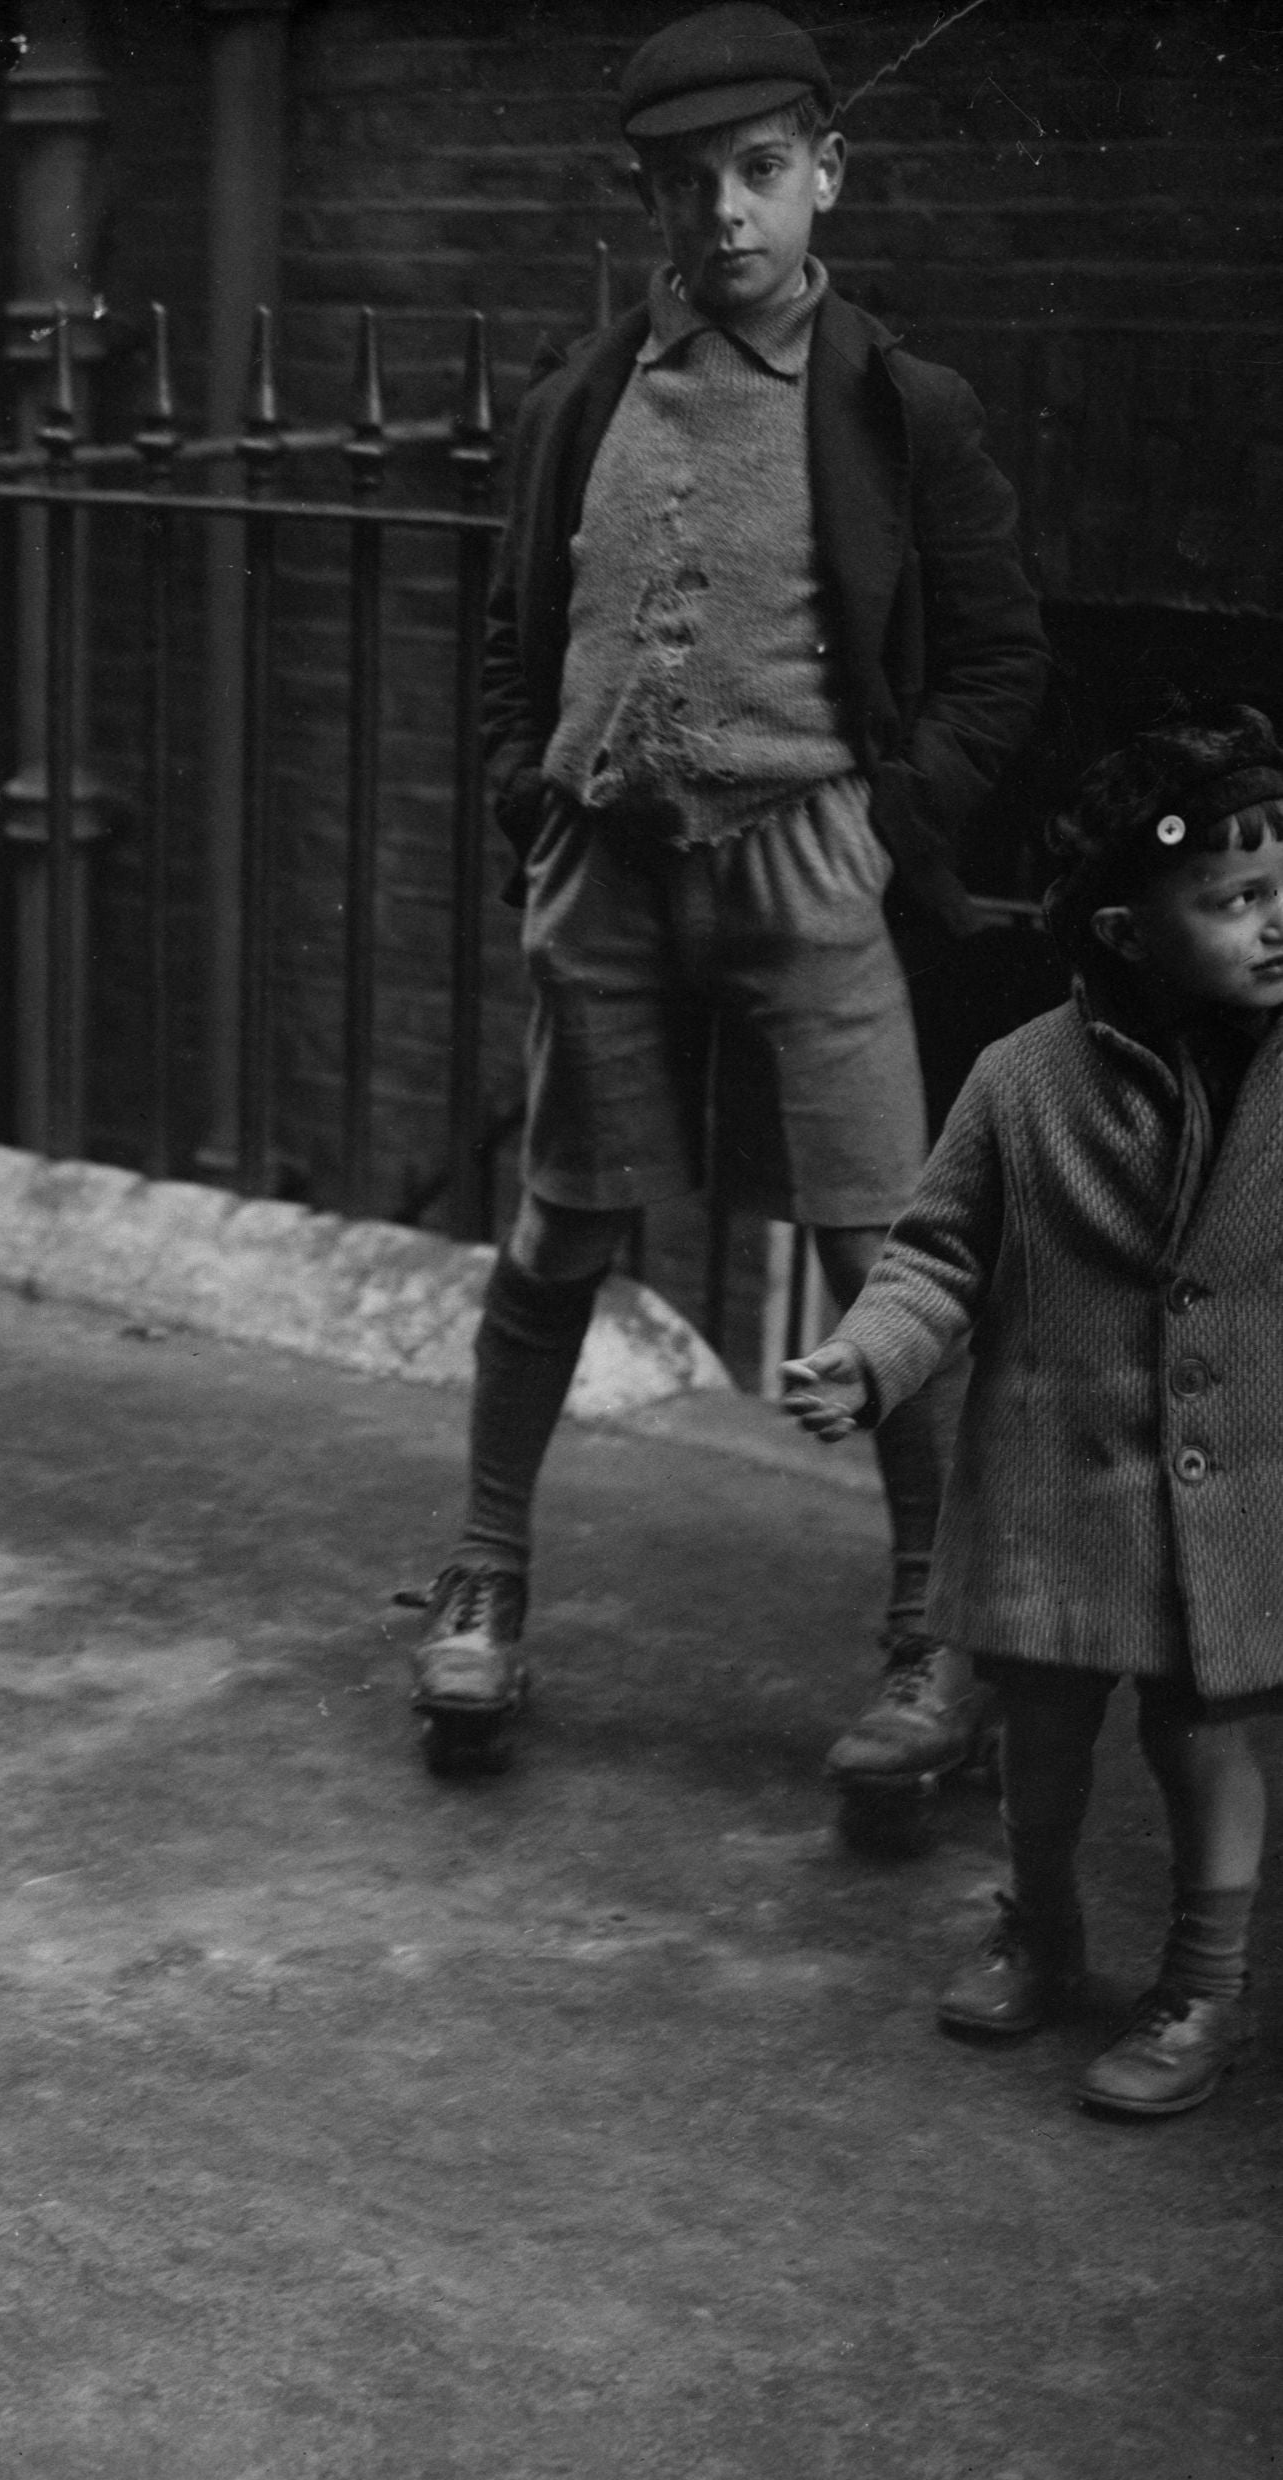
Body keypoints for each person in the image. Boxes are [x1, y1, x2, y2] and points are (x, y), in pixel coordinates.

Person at [408, 1, 1050, 1778]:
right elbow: (505, 637)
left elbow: (997, 662)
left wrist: (883, 814)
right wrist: (521, 803)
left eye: (758, 174)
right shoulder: (573, 401)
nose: (724, 219)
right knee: (553, 1236)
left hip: (804, 874)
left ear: (823, 173)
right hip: (603, 872)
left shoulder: (893, 405)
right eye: (684, 187)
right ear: (647, 202)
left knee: (881, 1249)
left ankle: (930, 1638)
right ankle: (482, 1575)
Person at [784, 706, 1283, 2118]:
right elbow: (936, 1250)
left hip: (1231, 1491)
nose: (1274, 925)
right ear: (1125, 931)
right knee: (1044, 1727)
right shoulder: (1022, 1079)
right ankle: (1042, 1925)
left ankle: (1204, 1980)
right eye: (1236, 901)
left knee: (1199, 1738)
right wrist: (867, 1358)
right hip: (1055, 1483)